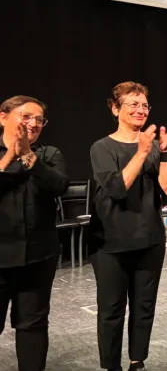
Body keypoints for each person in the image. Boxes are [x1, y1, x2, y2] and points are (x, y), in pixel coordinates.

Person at [89, 81, 167, 371]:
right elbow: (117, 188)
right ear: (115, 109)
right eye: (133, 104)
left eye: (145, 105)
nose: (141, 110)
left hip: (149, 239)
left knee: (144, 307)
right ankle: (111, 365)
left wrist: (163, 153)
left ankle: (136, 360)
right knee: (112, 310)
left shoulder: (153, 147)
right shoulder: (102, 147)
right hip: (110, 244)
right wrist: (142, 153)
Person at [0, 96, 69, 371]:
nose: (34, 124)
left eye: (40, 120)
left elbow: (59, 185)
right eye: (27, 117)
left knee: (33, 325)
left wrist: (28, 154)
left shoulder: (49, 155)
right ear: (3, 117)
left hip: (38, 257)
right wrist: (9, 156)